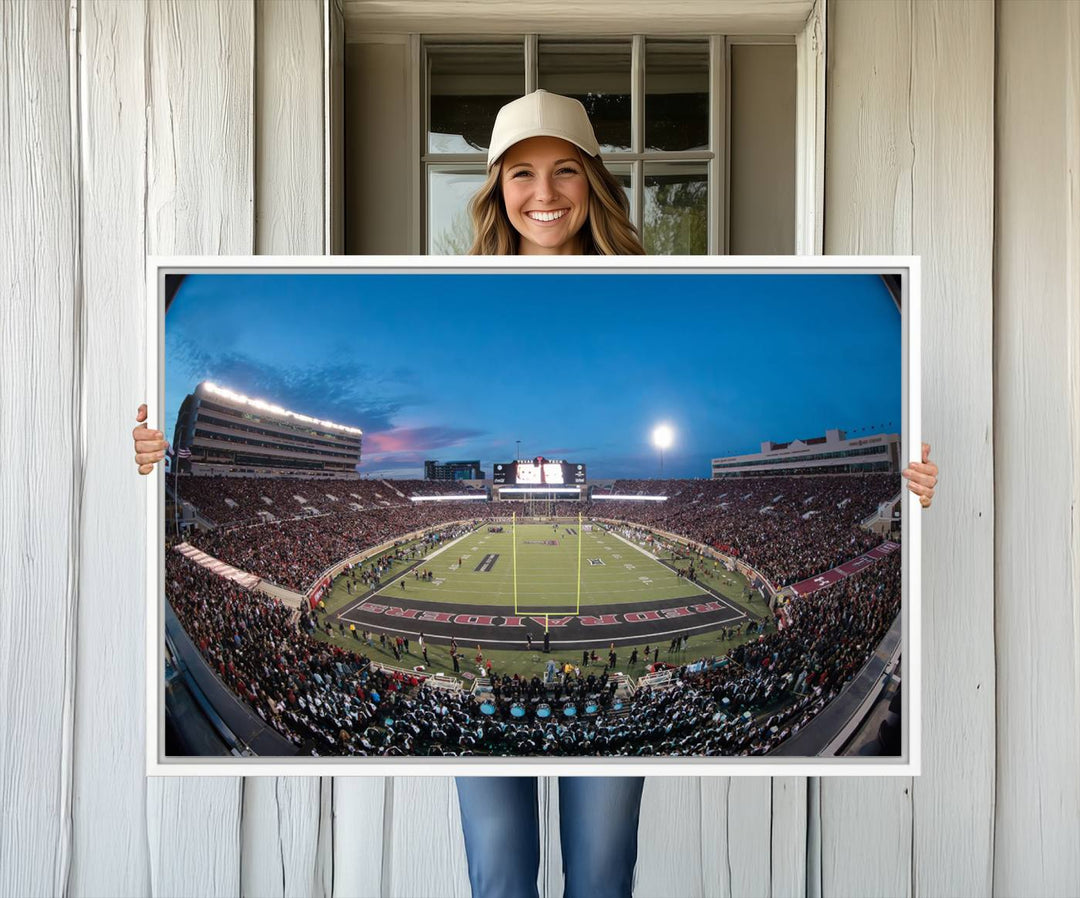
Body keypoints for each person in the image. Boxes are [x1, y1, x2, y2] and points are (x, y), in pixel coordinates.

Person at [132, 88, 940, 898]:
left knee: (600, 872)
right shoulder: (455, 285)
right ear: (495, 189)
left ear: (593, 180)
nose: (543, 194)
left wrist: (900, 483)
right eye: (521, 174)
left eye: (564, 171)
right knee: (500, 873)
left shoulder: (648, 285)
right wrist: (154, 459)